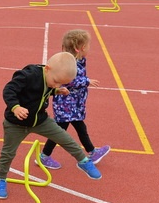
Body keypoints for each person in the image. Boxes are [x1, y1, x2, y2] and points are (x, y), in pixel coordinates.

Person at [0, 52, 102, 199]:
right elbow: (9, 90)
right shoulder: (28, 75)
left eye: (61, 84)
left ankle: (83, 161)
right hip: (16, 123)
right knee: (8, 153)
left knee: (65, 138)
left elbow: (45, 90)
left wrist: (56, 90)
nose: (56, 84)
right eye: (56, 82)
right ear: (47, 69)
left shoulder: (52, 78)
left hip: (40, 121)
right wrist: (15, 107)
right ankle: (0, 179)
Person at [37, 30, 110, 170]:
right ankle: (91, 152)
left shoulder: (76, 60)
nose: (89, 49)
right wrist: (87, 81)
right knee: (66, 130)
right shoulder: (69, 64)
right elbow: (70, 80)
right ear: (82, 47)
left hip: (73, 104)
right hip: (66, 105)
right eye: (88, 46)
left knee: (64, 130)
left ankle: (45, 156)